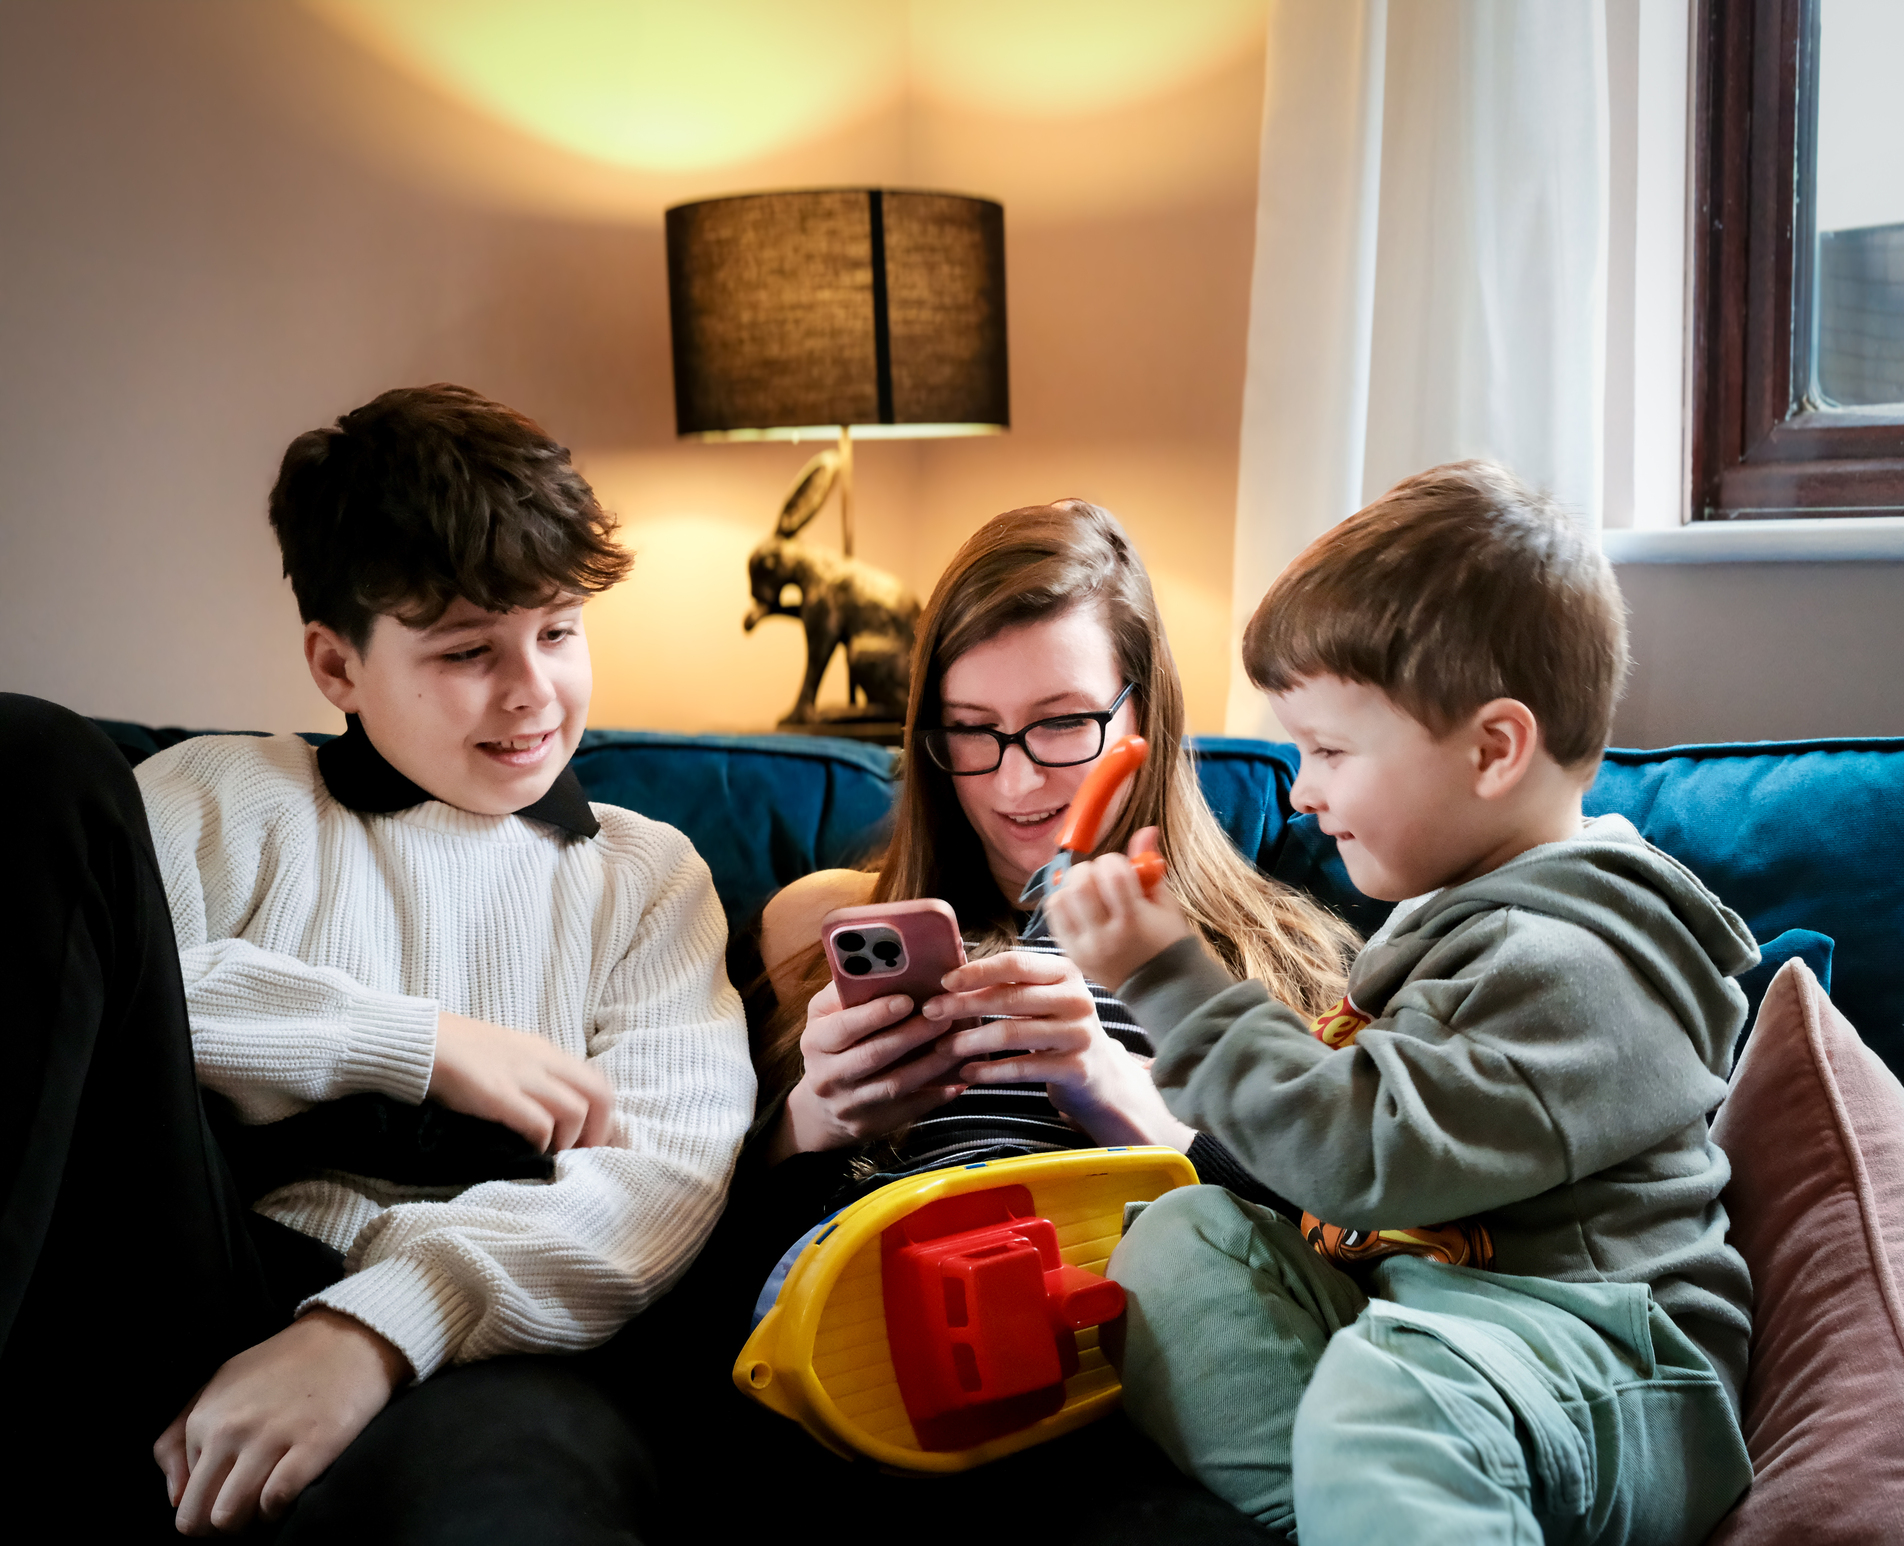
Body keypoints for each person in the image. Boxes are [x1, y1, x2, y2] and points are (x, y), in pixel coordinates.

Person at [0, 384, 754, 1540]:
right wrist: (415, 1041)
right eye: (468, 650)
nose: (532, 690)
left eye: (558, 631)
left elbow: (665, 1174)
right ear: (336, 666)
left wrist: (371, 1328)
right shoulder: (216, 798)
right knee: (29, 758)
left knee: (514, 1505)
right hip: (186, 1272)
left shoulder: (646, 875)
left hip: (472, 1341)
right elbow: (87, 1010)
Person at [1043, 461, 1757, 1544]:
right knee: (1178, 1245)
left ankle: (1383, 1488)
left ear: (1493, 750)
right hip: (1430, 1345)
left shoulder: (1571, 963)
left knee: (1386, 1400)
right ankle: (1366, 1510)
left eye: (1329, 750)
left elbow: (1364, 1154)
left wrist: (1167, 977)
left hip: (1607, 1368)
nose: (1300, 790)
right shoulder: (1449, 921)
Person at [630, 499, 1356, 1543]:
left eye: (1062, 723)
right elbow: (674, 1334)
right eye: (972, 731)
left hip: (1125, 1423)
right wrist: (804, 1132)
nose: (1016, 782)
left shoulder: (1276, 956)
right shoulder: (828, 942)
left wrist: (1129, 1105)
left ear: (1142, 713)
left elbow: (1353, 1257)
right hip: (852, 1414)